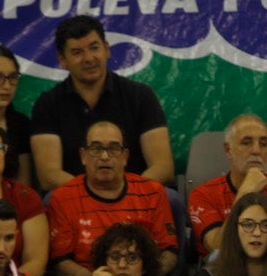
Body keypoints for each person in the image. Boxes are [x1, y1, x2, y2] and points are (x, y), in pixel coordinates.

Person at [29, 16, 174, 191]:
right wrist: (94, 197)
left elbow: (163, 167)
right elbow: (49, 175)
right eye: (77, 52)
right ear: (62, 60)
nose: (89, 58)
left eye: (94, 48)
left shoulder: (140, 96)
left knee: (171, 200)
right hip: (75, 199)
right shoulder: (48, 104)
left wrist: (126, 195)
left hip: (136, 195)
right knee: (50, 201)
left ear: (107, 49)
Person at [47, 125, 178, 276]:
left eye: (113, 149)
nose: (105, 156)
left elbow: (170, 253)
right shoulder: (63, 198)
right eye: (96, 148)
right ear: (83, 156)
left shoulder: (153, 192)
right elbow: (61, 264)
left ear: (125, 157)